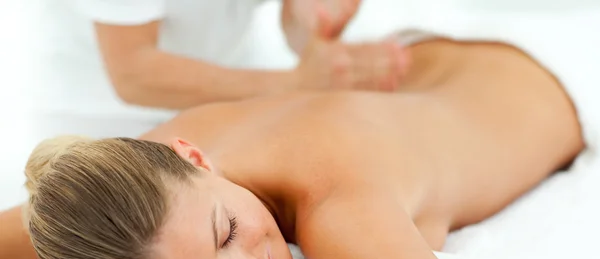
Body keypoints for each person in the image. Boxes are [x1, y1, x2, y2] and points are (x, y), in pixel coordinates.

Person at [0, 27, 590, 259]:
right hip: (410, 65)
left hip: (549, 63)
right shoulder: (137, 187)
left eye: (227, 231)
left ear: (196, 158)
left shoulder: (337, 199)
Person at [32, 0, 406, 138]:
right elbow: (133, 73)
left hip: (228, 87)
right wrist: (296, 83)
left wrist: (315, 19)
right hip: (97, 119)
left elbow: (295, 32)